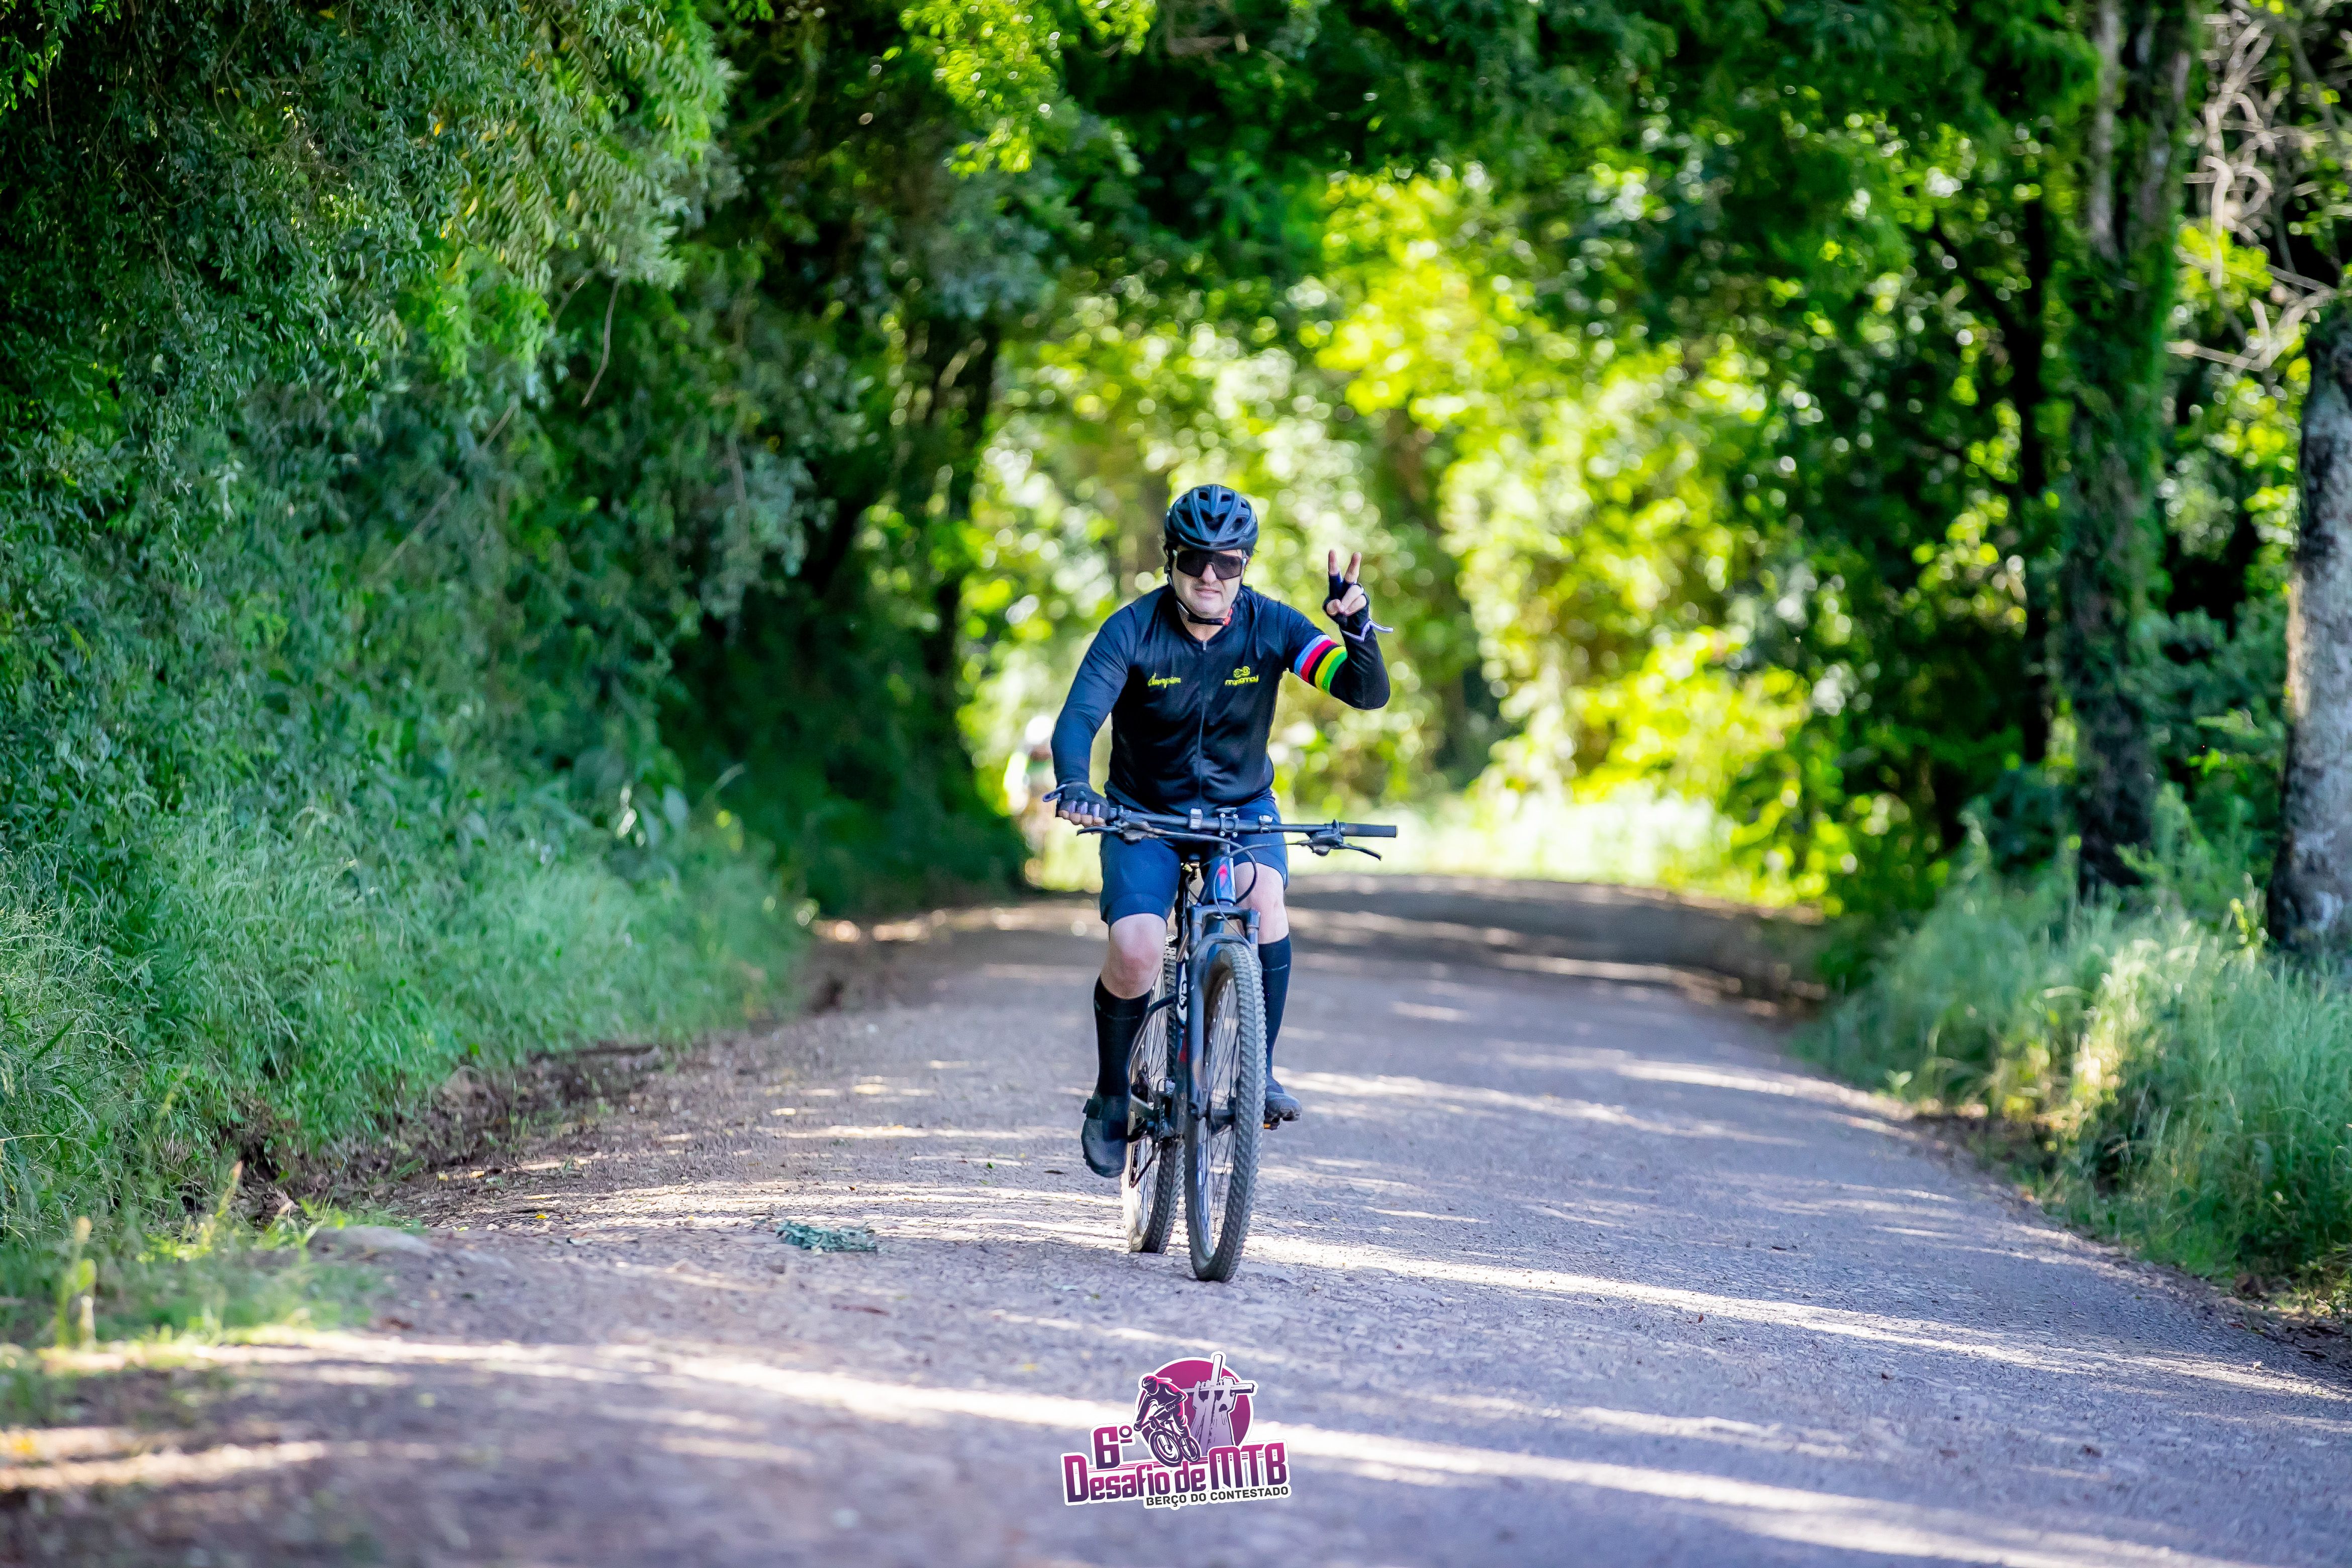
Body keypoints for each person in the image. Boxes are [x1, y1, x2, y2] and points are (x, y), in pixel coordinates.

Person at [1046, 483, 1390, 1177]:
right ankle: (1112, 1095)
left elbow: (1364, 692)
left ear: (1244, 566)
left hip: (1243, 813)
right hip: (1144, 814)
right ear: (1170, 560)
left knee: (1265, 900)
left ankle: (1259, 1070)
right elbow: (1079, 718)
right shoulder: (1132, 630)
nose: (1210, 576)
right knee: (1138, 949)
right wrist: (1077, 786)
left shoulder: (1271, 626)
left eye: (1227, 562)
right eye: (1195, 560)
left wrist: (1356, 631)